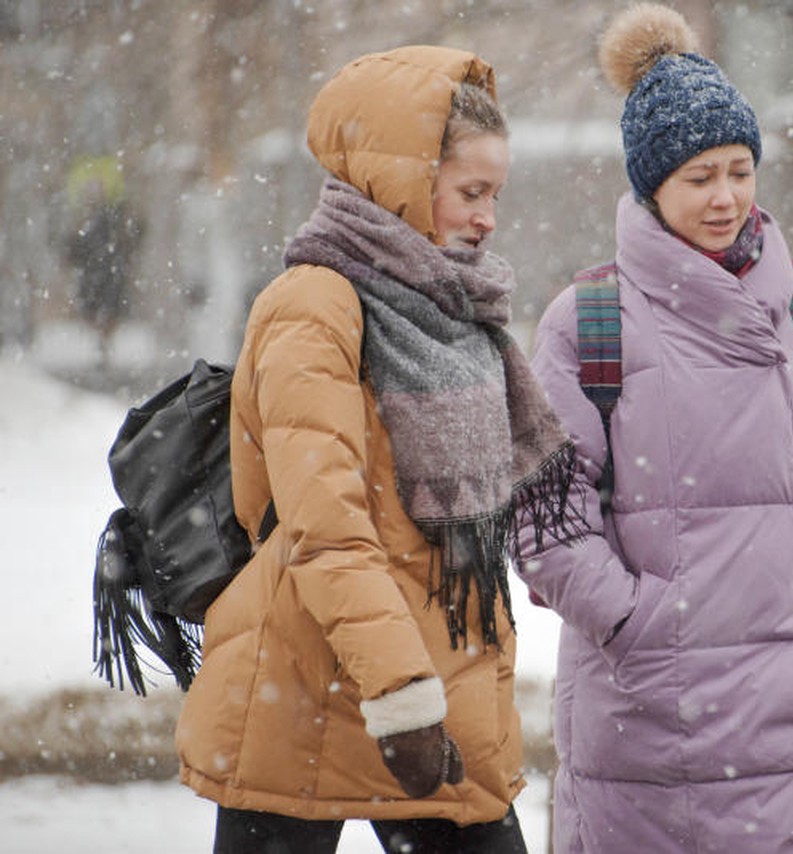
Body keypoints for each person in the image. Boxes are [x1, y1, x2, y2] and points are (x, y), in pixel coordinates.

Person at [175, 45, 582, 854]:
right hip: (312, 684)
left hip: (438, 685)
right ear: (400, 180)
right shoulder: (313, 307)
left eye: (494, 194)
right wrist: (401, 695)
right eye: (471, 192)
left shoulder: (457, 311)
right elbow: (327, 525)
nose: (487, 217)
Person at [515, 5, 793, 852]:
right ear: (651, 187)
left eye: (739, 170)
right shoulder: (586, 322)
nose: (726, 198)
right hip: (645, 715)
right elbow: (545, 520)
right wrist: (638, 623)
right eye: (698, 177)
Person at [64, 166, 144, 366]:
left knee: (110, 304)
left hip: (108, 267)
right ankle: (101, 340)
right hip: (96, 268)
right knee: (96, 304)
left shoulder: (113, 215)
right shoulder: (87, 216)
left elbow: (132, 236)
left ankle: (104, 340)